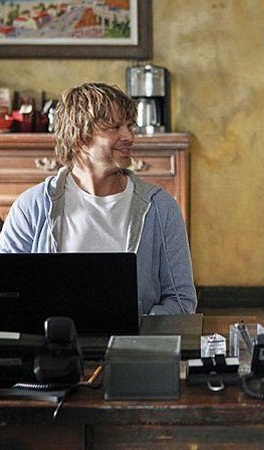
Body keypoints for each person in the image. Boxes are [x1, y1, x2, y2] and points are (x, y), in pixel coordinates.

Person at [0, 83, 197, 315]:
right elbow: (6, 292)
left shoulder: (160, 207)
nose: (129, 136)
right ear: (80, 137)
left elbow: (181, 300)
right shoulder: (32, 206)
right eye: (114, 127)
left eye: (130, 126)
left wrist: (138, 328)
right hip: (52, 338)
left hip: (137, 339)